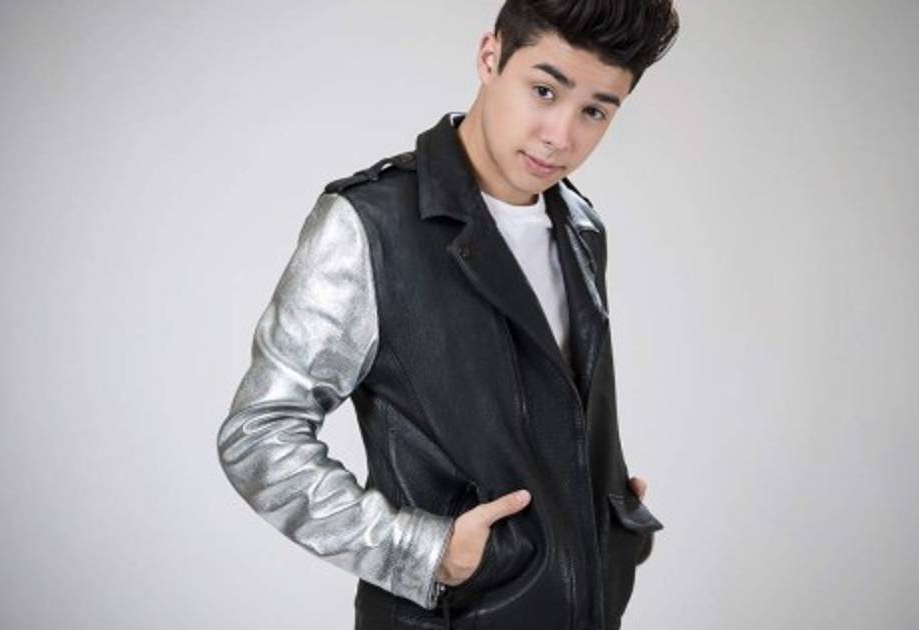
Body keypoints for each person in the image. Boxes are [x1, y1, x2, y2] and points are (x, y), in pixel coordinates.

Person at [216, 2, 679, 628]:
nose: (560, 135)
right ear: (491, 56)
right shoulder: (371, 225)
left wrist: (605, 508)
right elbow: (259, 434)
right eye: (544, 91)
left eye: (595, 111)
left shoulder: (582, 227)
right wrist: (422, 552)